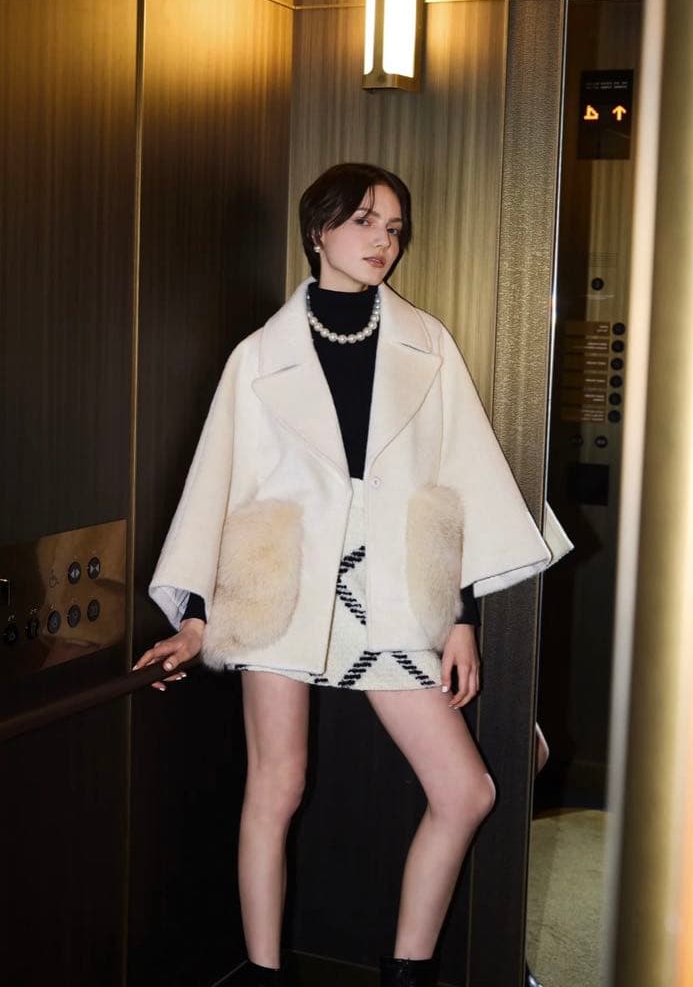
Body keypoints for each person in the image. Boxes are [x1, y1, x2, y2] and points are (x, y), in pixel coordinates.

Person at [134, 163, 570, 987]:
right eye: (364, 221)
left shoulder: (426, 343)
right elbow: (217, 485)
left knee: (466, 791)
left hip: (394, 596)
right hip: (280, 594)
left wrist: (462, 618)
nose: (382, 241)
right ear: (318, 231)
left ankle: (404, 972)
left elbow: (458, 480)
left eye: (393, 228)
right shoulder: (257, 357)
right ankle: (264, 974)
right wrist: (194, 617)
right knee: (276, 786)